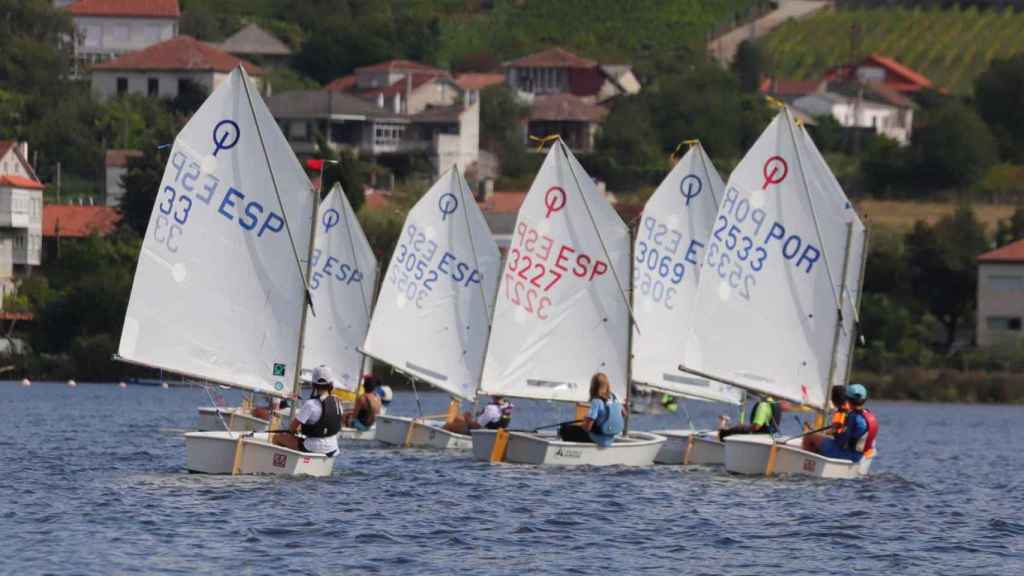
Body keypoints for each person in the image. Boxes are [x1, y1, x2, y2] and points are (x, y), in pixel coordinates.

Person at [272, 365, 342, 456]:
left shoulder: (310, 404)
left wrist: (295, 432)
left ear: (313, 384)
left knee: (277, 438)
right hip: (332, 448)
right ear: (331, 384)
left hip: (312, 447)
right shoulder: (337, 402)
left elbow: (292, 428)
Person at [809, 383, 878, 463]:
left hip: (848, 455)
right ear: (865, 400)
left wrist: (831, 434)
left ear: (847, 399)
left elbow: (841, 441)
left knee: (810, 438)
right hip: (862, 456)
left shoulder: (853, 417)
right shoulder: (870, 416)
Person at [558, 372, 625, 447]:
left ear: (594, 386)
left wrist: (584, 422)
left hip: (597, 439)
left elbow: (587, 427)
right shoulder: (615, 397)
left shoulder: (596, 401)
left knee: (564, 429)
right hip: (611, 438)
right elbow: (624, 414)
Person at [802, 385, 852, 451]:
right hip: (846, 442)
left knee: (808, 437)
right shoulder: (849, 407)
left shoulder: (841, 411)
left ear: (834, 398)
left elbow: (835, 431)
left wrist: (816, 432)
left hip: (840, 445)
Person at [443, 396, 513, 435]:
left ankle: (443, 431)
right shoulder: (508, 405)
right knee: (458, 418)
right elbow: (495, 417)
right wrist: (479, 414)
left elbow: (475, 426)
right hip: (495, 432)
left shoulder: (491, 408)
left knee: (448, 426)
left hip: (481, 435)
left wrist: (467, 418)